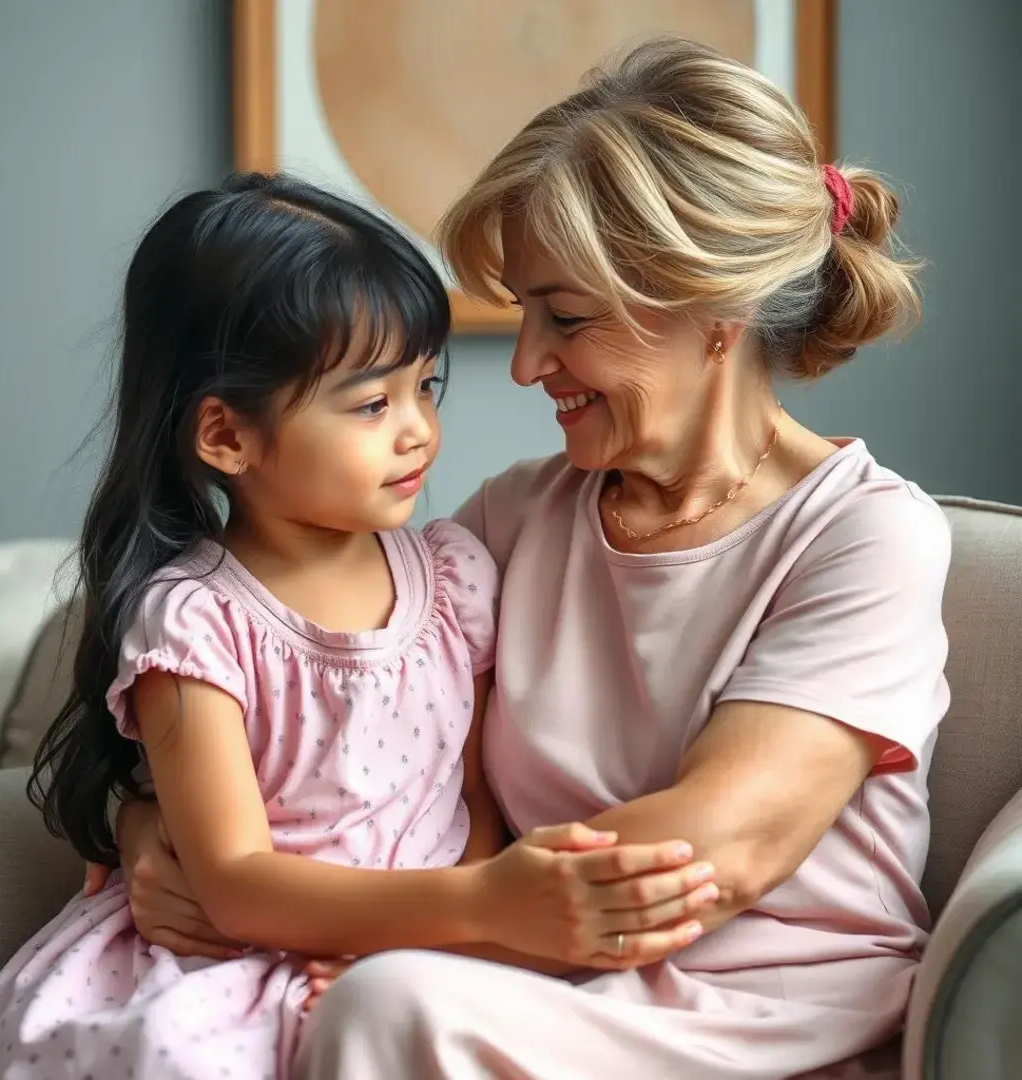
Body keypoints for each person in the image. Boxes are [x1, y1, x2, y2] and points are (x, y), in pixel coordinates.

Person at [106, 37, 953, 1078]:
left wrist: (413, 932)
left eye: (566, 317)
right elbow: (314, 715)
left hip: (759, 1008)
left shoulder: (865, 536)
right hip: (537, 985)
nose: (524, 364)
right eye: (524, 315)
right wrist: (148, 824)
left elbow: (706, 862)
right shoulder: (515, 522)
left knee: (385, 1007)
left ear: (711, 313)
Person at [0, 173, 718, 1080]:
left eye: (425, 389)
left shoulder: (454, 579)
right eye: (372, 405)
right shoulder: (196, 621)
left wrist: (452, 931)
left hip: (431, 947)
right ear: (225, 436)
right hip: (235, 960)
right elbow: (234, 880)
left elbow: (476, 804)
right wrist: (479, 902)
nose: (418, 433)